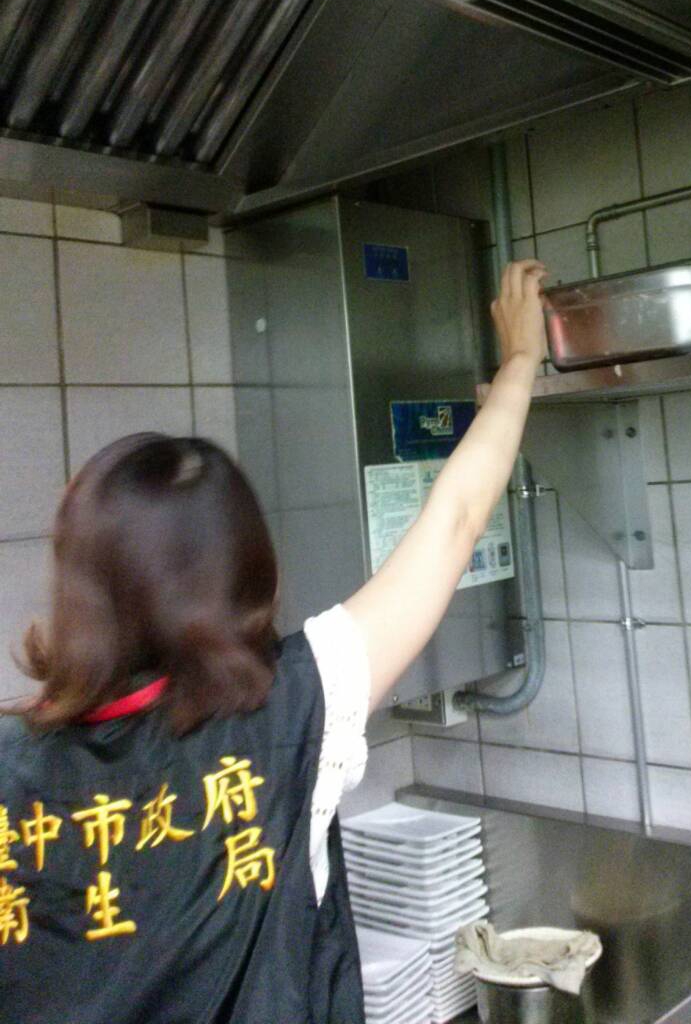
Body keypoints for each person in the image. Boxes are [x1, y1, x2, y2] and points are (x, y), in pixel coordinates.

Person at [0, 258, 547, 1024]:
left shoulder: (12, 766)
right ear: (252, 575)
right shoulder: (294, 710)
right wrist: (521, 359)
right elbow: (456, 518)